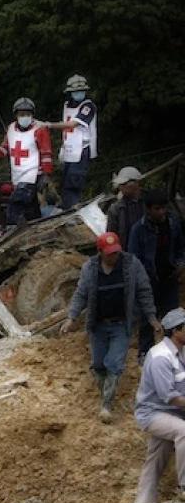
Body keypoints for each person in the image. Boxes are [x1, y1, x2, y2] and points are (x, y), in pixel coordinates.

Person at [61, 231, 160, 422]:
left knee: (114, 364)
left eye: (116, 252)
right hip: (98, 325)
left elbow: (144, 291)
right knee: (99, 365)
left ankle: (106, 406)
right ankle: (106, 393)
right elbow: (81, 294)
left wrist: (151, 317)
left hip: (122, 324)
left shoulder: (132, 265)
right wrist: (71, 318)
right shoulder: (90, 269)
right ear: (100, 252)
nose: (114, 256)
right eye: (109, 253)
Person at [133, 307, 185, 503]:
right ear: (176, 331)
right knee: (183, 432)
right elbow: (169, 397)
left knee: (155, 459)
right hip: (154, 413)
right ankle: (184, 486)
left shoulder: (181, 352)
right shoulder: (160, 357)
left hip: (172, 414)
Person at [128, 190, 185, 364]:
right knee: (147, 318)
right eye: (157, 208)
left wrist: (180, 264)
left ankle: (173, 354)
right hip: (149, 281)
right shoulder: (139, 229)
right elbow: (133, 257)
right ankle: (145, 353)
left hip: (169, 278)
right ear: (148, 209)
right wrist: (141, 277)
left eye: (163, 208)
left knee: (173, 318)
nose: (161, 212)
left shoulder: (173, 224)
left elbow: (181, 248)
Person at [0, 97, 53, 225]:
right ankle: (37, 227)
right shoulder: (11, 129)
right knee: (31, 209)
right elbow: (5, 148)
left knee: (16, 205)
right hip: (17, 176)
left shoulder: (40, 129)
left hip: (32, 175)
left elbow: (46, 153)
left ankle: (11, 230)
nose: (25, 117)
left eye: (28, 114)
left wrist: (46, 174)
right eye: (22, 114)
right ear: (16, 115)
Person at [43, 74, 98, 209]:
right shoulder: (67, 105)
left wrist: (49, 125)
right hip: (68, 149)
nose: (77, 94)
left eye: (80, 91)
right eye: (74, 92)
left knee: (74, 183)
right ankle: (67, 209)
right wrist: (62, 147)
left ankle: (73, 213)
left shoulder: (88, 106)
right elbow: (66, 130)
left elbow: (73, 124)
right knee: (65, 183)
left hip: (81, 149)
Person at [106, 166, 145, 249]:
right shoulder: (116, 209)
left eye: (124, 184)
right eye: (120, 185)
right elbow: (111, 235)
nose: (121, 188)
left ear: (136, 183)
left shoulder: (151, 201)